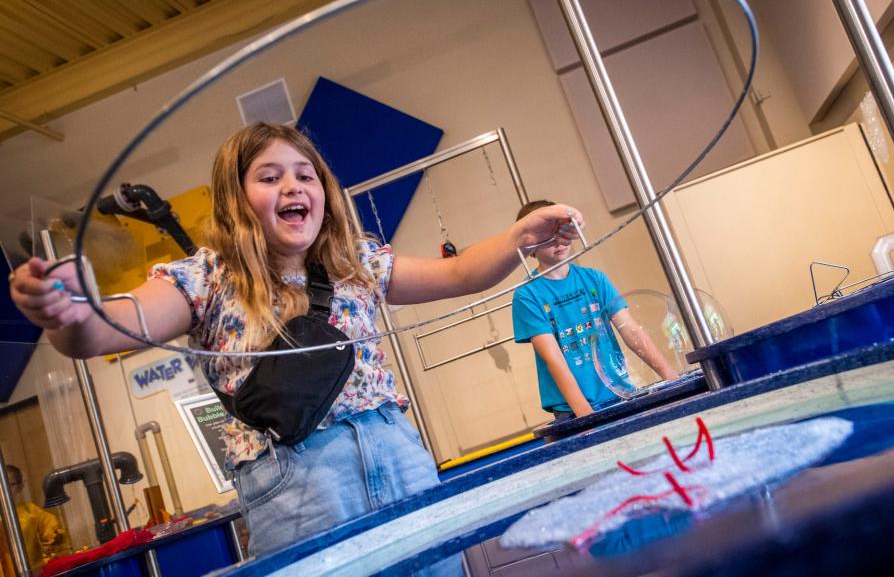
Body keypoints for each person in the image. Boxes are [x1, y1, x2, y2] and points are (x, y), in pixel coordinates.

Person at [8, 123, 583, 567]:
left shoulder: (354, 263)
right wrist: (68, 312)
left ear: (324, 193)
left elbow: (460, 277)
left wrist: (519, 238)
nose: (293, 186)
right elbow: (109, 327)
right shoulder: (204, 278)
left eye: (305, 175)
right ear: (237, 199)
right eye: (269, 176)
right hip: (295, 480)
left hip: (397, 452)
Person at [511, 200, 678, 423]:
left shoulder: (595, 279)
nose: (557, 243)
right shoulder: (527, 295)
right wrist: (585, 416)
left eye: (559, 233)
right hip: (572, 408)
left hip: (618, 391)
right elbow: (554, 359)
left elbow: (632, 332)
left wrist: (673, 381)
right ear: (530, 247)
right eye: (545, 237)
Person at [4, 465, 64, 570]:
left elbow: (52, 529)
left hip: (33, 571)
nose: (4, 490)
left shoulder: (31, 511)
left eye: (10, 485)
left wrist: (56, 538)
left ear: (20, 486)